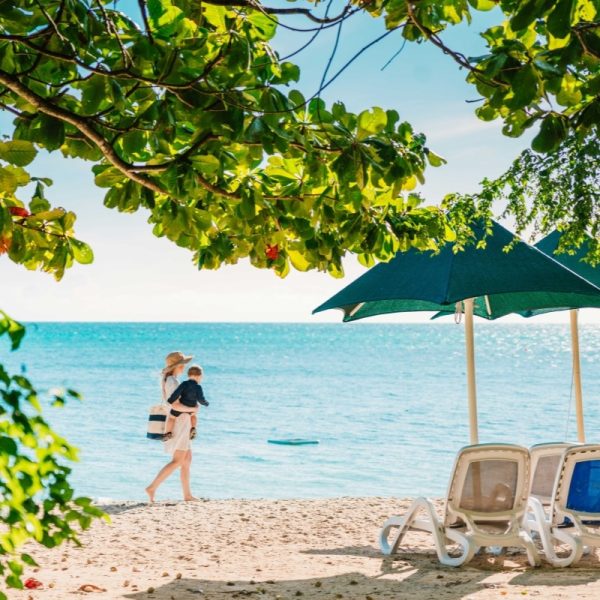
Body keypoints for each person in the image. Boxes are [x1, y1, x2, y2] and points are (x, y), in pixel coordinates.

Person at [145, 351, 199, 502]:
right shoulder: (171, 382)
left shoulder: (171, 380)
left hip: (182, 421)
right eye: (183, 364)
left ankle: (187, 495)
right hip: (180, 423)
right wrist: (192, 409)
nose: (184, 367)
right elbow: (174, 405)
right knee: (178, 460)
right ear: (178, 366)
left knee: (187, 460)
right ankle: (152, 487)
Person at [163, 364, 208, 442]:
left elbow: (176, 393)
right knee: (193, 415)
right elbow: (201, 399)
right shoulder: (198, 387)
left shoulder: (184, 384)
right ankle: (193, 428)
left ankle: (168, 433)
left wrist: (170, 400)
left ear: (188, 375)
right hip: (191, 407)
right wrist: (205, 403)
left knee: (172, 417)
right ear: (199, 376)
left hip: (181, 405)